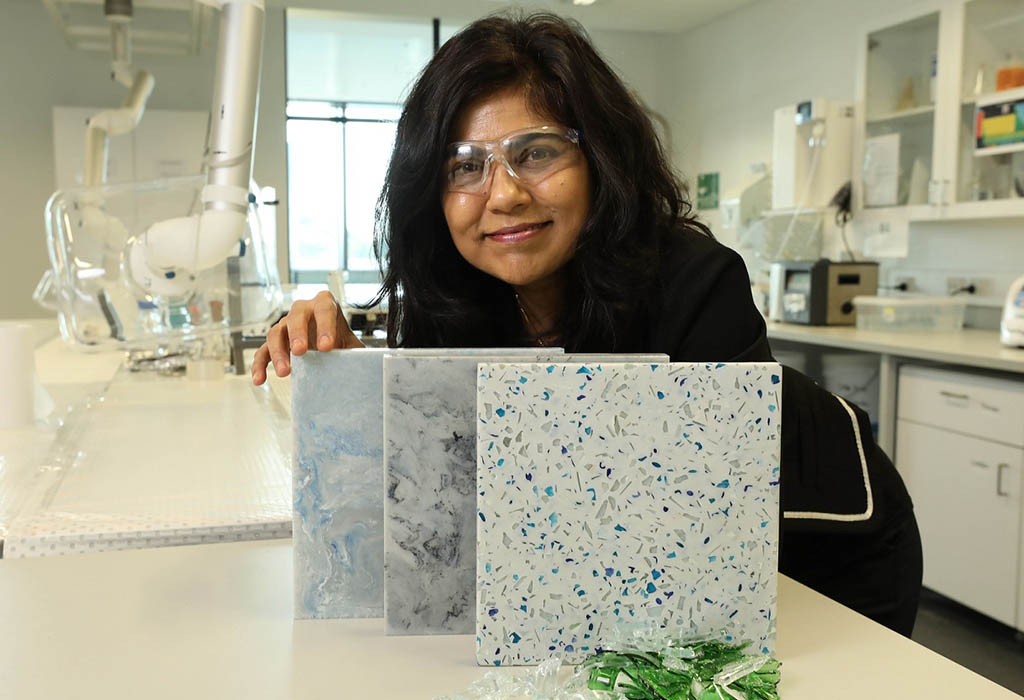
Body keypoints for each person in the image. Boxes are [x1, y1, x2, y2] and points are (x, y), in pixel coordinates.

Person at [252, 12, 922, 636]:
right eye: (465, 166)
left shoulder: (694, 281)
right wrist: (351, 380)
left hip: (826, 544)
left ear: (600, 159)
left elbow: (698, 530)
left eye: (537, 152)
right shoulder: (451, 297)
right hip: (638, 574)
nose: (506, 194)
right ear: (433, 192)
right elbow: (451, 497)